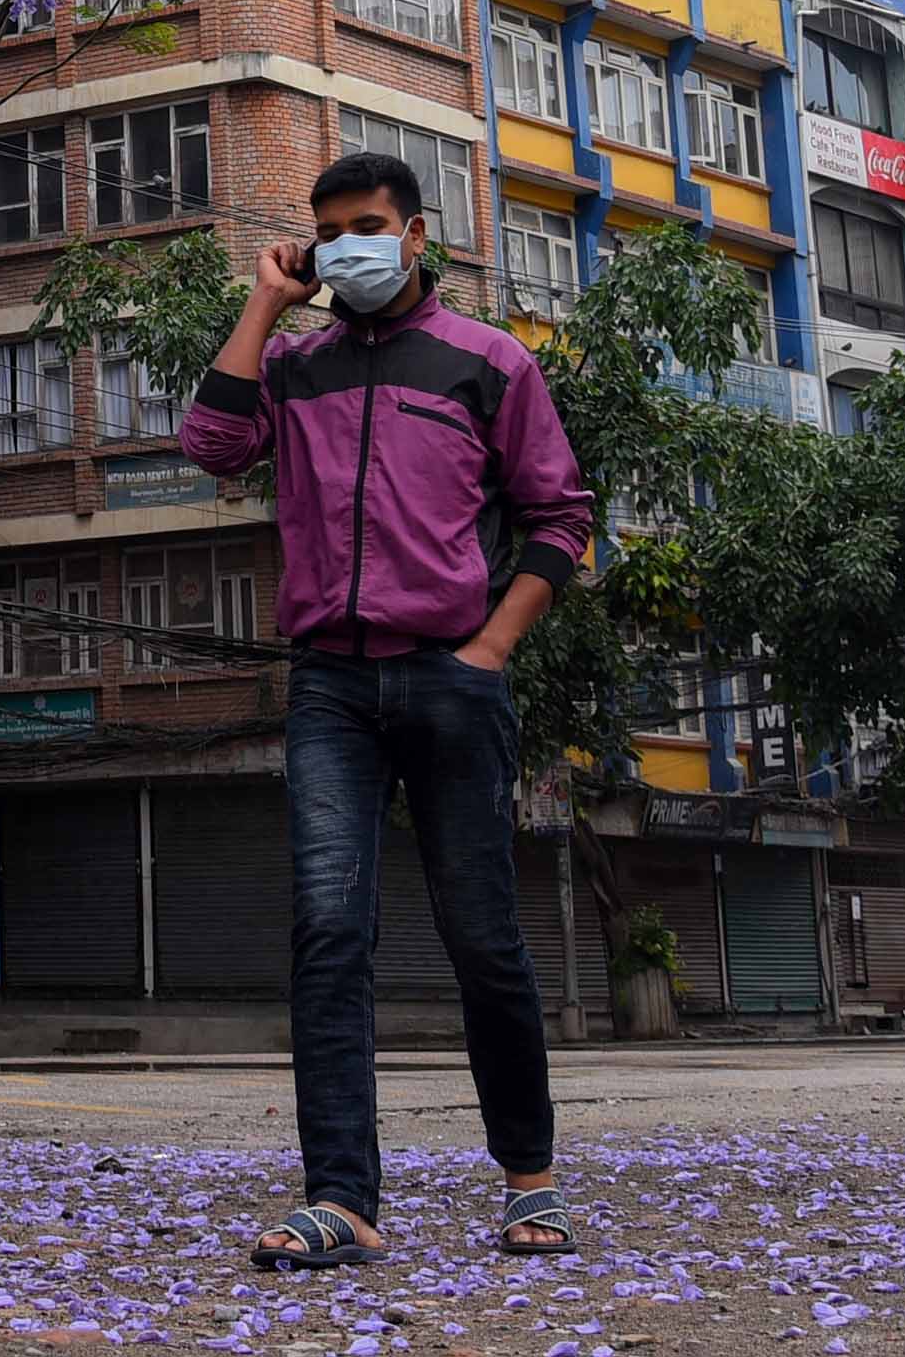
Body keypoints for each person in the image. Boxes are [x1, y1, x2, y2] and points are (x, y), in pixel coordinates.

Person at [178, 149, 596, 1271]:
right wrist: (265, 303)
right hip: (330, 685)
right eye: (330, 235)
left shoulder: (489, 363)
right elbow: (213, 444)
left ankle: (530, 1183)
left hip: (452, 681)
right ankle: (343, 1201)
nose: (349, 247)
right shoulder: (299, 367)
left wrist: (491, 647)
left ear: (417, 236)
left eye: (369, 226)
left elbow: (560, 519)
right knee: (329, 934)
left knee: (483, 939)